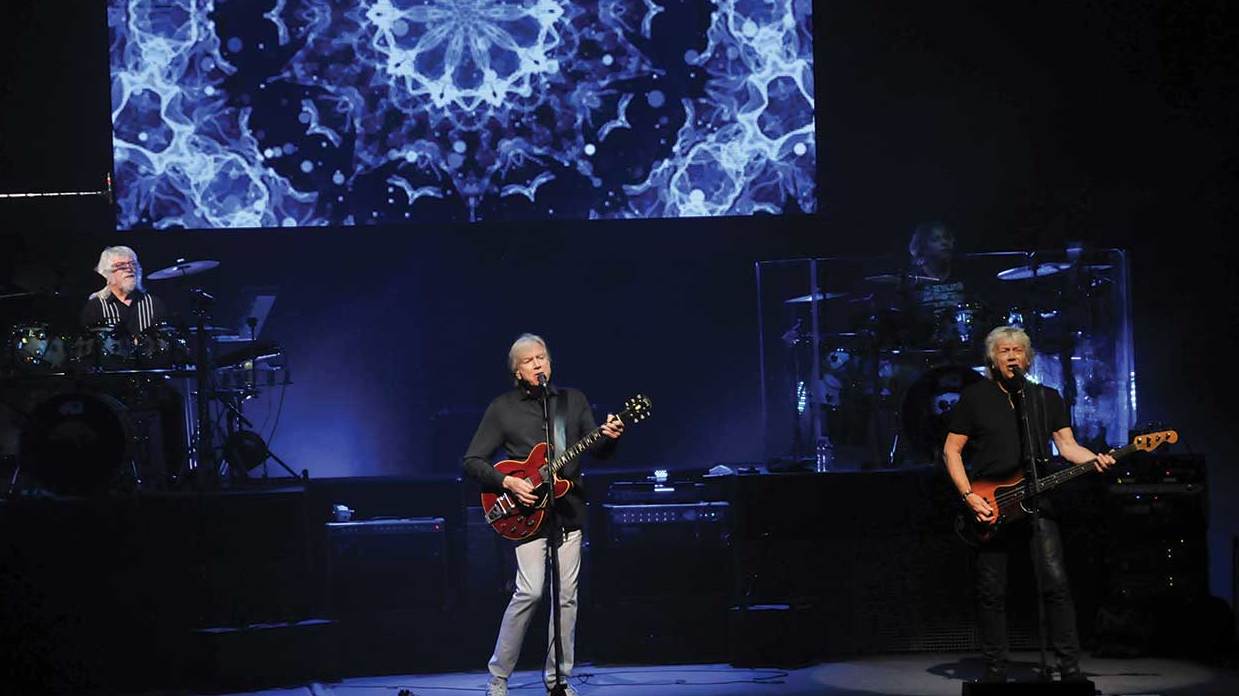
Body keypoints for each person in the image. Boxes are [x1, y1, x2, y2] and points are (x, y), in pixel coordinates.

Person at [943, 326, 1115, 682]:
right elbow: (951, 450)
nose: (1011, 356)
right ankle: (995, 670)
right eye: (1004, 350)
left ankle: (1069, 668)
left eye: (1017, 350)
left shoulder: (1045, 398)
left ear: (1027, 357)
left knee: (1056, 582)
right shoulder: (975, 398)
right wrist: (969, 496)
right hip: (991, 502)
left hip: (1038, 500)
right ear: (992, 358)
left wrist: (1094, 459)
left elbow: (1067, 447)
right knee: (991, 590)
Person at [463, 333, 624, 696]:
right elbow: (472, 460)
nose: (538, 364)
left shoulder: (572, 400)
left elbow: (597, 449)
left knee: (566, 596)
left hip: (568, 511)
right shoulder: (502, 408)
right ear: (517, 371)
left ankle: (559, 680)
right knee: (530, 592)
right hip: (525, 513)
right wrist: (507, 482)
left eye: (542, 357)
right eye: (529, 360)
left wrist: (610, 435)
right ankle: (498, 676)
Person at [79, 245, 168, 332]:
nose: (129, 269)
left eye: (133, 264)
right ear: (107, 273)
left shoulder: (153, 304)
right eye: (121, 266)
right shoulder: (95, 307)